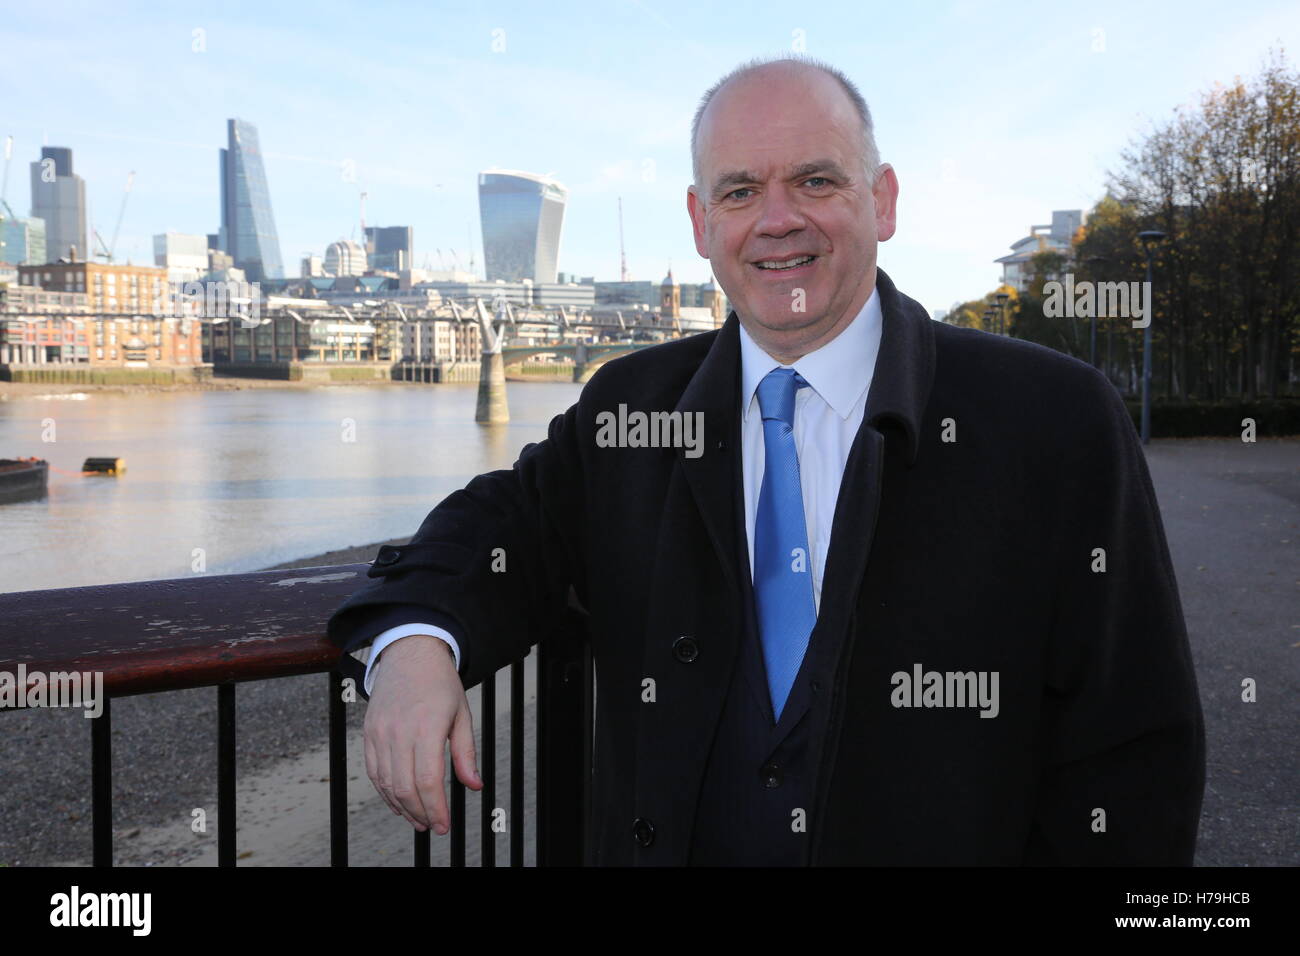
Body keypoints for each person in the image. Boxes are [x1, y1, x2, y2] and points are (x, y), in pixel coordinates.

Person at [326, 55, 1206, 865]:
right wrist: (411, 647)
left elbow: (1134, 754)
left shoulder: (1051, 418)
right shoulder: (632, 409)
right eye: (741, 191)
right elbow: (497, 529)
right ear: (702, 222)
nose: (777, 220)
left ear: (884, 200)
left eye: (816, 181)